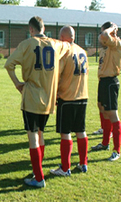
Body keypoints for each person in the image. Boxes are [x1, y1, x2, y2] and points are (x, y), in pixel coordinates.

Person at [4, 16, 71, 188]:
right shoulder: (56, 44)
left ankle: (39, 178)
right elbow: (69, 45)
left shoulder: (27, 44)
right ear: (44, 28)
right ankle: (37, 171)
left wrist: (17, 83)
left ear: (31, 29)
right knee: (41, 134)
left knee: (33, 136)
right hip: (48, 98)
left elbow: (9, 64)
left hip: (32, 96)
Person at [49, 26, 89, 176]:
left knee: (65, 133)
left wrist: (55, 93)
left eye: (60, 37)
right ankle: (83, 163)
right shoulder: (82, 50)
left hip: (67, 97)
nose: (59, 40)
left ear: (65, 37)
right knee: (81, 130)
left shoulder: (64, 51)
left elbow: (57, 75)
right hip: (83, 96)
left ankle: (65, 168)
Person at [91, 21, 121, 161]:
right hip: (103, 82)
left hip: (111, 82)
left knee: (112, 114)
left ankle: (117, 151)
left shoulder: (116, 43)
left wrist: (112, 29)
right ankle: (105, 143)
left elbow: (105, 35)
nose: (101, 35)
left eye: (102, 32)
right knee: (103, 110)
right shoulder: (105, 47)